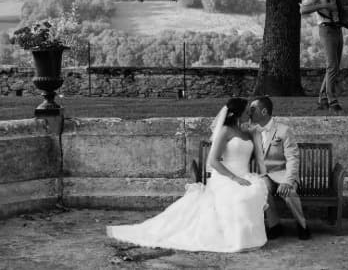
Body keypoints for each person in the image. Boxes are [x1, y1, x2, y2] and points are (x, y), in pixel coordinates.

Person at [107, 97, 268, 253]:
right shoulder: (225, 131)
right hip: (226, 177)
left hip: (245, 176)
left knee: (254, 192)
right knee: (239, 198)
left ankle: (253, 236)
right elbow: (213, 161)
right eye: (247, 111)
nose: (249, 114)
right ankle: (236, 239)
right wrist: (234, 178)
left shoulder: (247, 132)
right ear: (236, 114)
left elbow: (256, 154)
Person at [248, 96, 311, 240]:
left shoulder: (284, 130)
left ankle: (302, 225)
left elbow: (293, 158)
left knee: (288, 192)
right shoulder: (253, 131)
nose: (249, 112)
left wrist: (288, 181)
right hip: (265, 175)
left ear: (263, 111)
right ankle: (275, 226)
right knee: (262, 190)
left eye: (253, 109)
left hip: (283, 174)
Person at [300, 0, 343, 112]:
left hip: (337, 28)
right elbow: (303, 10)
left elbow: (340, 9)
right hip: (326, 29)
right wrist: (323, 4)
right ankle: (333, 101)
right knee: (332, 66)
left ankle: (322, 100)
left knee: (334, 67)